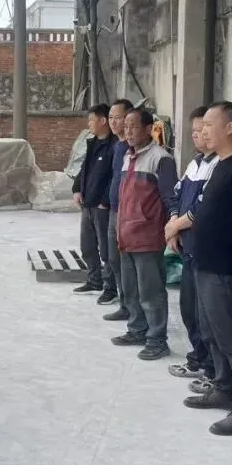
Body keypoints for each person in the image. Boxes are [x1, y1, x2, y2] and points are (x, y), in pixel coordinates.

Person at [182, 101, 232, 436]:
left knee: (231, 337)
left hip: (226, 267)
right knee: (211, 331)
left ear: (229, 128)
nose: (203, 131)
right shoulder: (219, 164)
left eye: (209, 125)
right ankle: (223, 386)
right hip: (206, 262)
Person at [110, 108, 178, 360]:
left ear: (149, 129)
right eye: (126, 126)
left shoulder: (161, 159)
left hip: (147, 237)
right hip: (126, 235)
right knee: (130, 289)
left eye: (134, 126)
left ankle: (157, 340)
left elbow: (171, 198)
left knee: (151, 292)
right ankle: (137, 330)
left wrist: (171, 228)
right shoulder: (128, 156)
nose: (128, 131)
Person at [165, 106, 218, 381]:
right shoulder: (195, 164)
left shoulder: (220, 165)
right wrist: (173, 224)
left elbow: (203, 206)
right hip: (188, 249)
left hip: (207, 250)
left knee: (208, 314)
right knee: (189, 309)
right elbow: (176, 195)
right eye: (195, 130)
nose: (197, 135)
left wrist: (176, 226)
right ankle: (198, 358)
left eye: (203, 129)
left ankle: (213, 368)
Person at [72, 104, 117, 300]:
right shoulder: (92, 143)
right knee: (88, 246)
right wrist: (76, 189)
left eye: (91, 120)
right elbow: (84, 170)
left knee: (106, 250)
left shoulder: (115, 146)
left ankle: (110, 288)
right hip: (88, 205)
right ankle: (94, 280)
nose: (89, 123)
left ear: (103, 121)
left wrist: (105, 201)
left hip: (102, 207)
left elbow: (115, 177)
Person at [103, 98, 134, 321]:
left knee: (125, 261)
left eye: (118, 117)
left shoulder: (131, 149)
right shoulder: (117, 145)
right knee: (113, 258)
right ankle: (125, 304)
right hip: (114, 208)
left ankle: (131, 307)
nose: (113, 122)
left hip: (126, 211)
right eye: (111, 117)